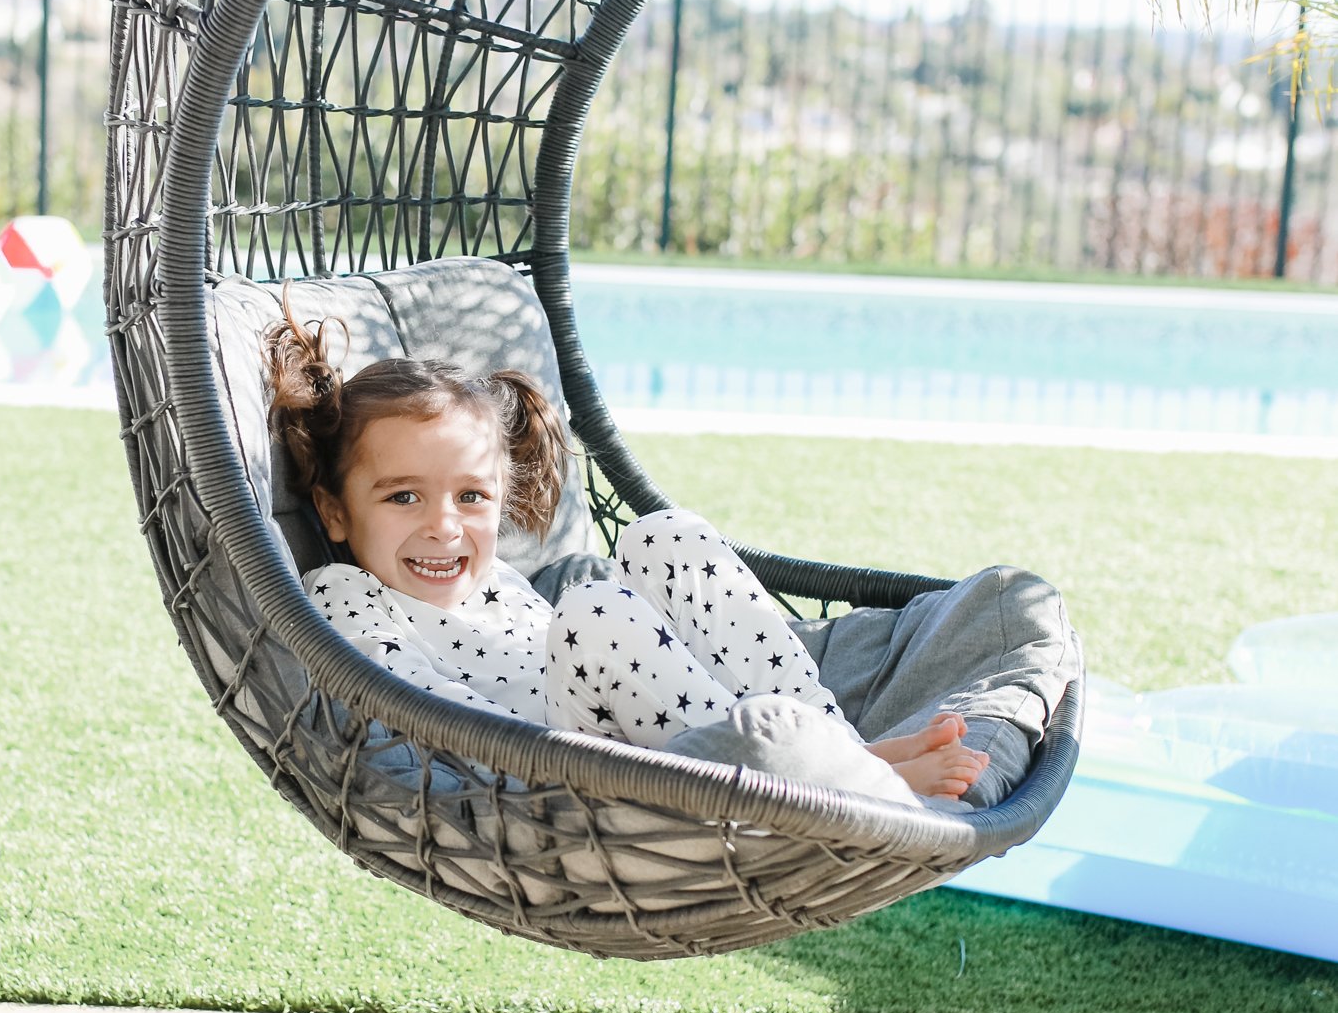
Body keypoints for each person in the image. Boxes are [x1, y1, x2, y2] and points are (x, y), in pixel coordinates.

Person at [265, 310, 990, 809]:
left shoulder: (499, 580)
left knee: (660, 536)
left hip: (649, 729)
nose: (443, 527)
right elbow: (418, 709)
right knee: (591, 611)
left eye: (471, 497)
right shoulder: (344, 592)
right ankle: (832, 779)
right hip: (546, 766)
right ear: (334, 509)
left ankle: (833, 750)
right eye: (401, 498)